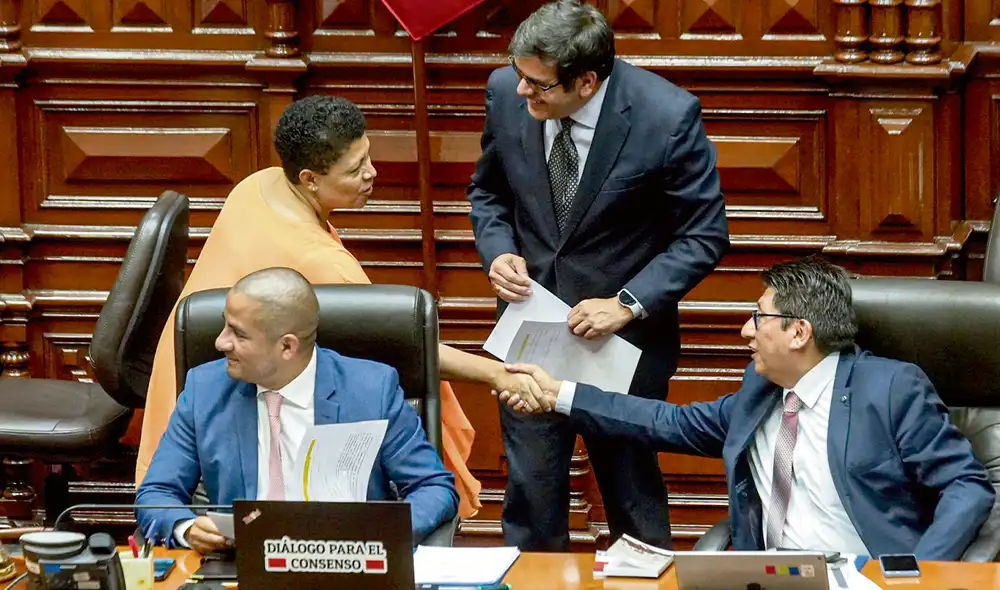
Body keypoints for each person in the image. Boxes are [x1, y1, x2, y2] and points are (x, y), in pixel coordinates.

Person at [137, 95, 546, 518]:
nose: (372, 174)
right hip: (224, 414)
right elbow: (407, 348)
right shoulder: (322, 264)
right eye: (355, 170)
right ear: (310, 178)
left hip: (187, 384)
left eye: (367, 156)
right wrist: (497, 373)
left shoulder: (258, 185)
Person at [498, 257, 995, 560]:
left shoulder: (889, 388)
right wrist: (560, 392)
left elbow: (966, 485)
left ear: (800, 332)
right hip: (771, 579)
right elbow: (663, 421)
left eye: (760, 317)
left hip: (864, 578)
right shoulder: (761, 394)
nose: (746, 331)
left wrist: (918, 576)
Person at [466, 0, 729, 550]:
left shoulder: (666, 116)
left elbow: (704, 236)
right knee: (532, 492)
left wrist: (628, 302)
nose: (521, 93)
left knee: (630, 491)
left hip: (621, 343)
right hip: (530, 330)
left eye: (537, 85)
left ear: (586, 81)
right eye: (518, 76)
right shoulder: (505, 92)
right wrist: (497, 252)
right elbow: (488, 193)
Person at [136, 268, 458, 552]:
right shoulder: (205, 389)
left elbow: (434, 488)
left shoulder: (371, 390)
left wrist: (381, 536)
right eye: (225, 326)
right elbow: (157, 492)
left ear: (287, 346)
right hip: (241, 564)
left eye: (238, 333)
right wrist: (187, 528)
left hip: (347, 566)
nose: (221, 342)